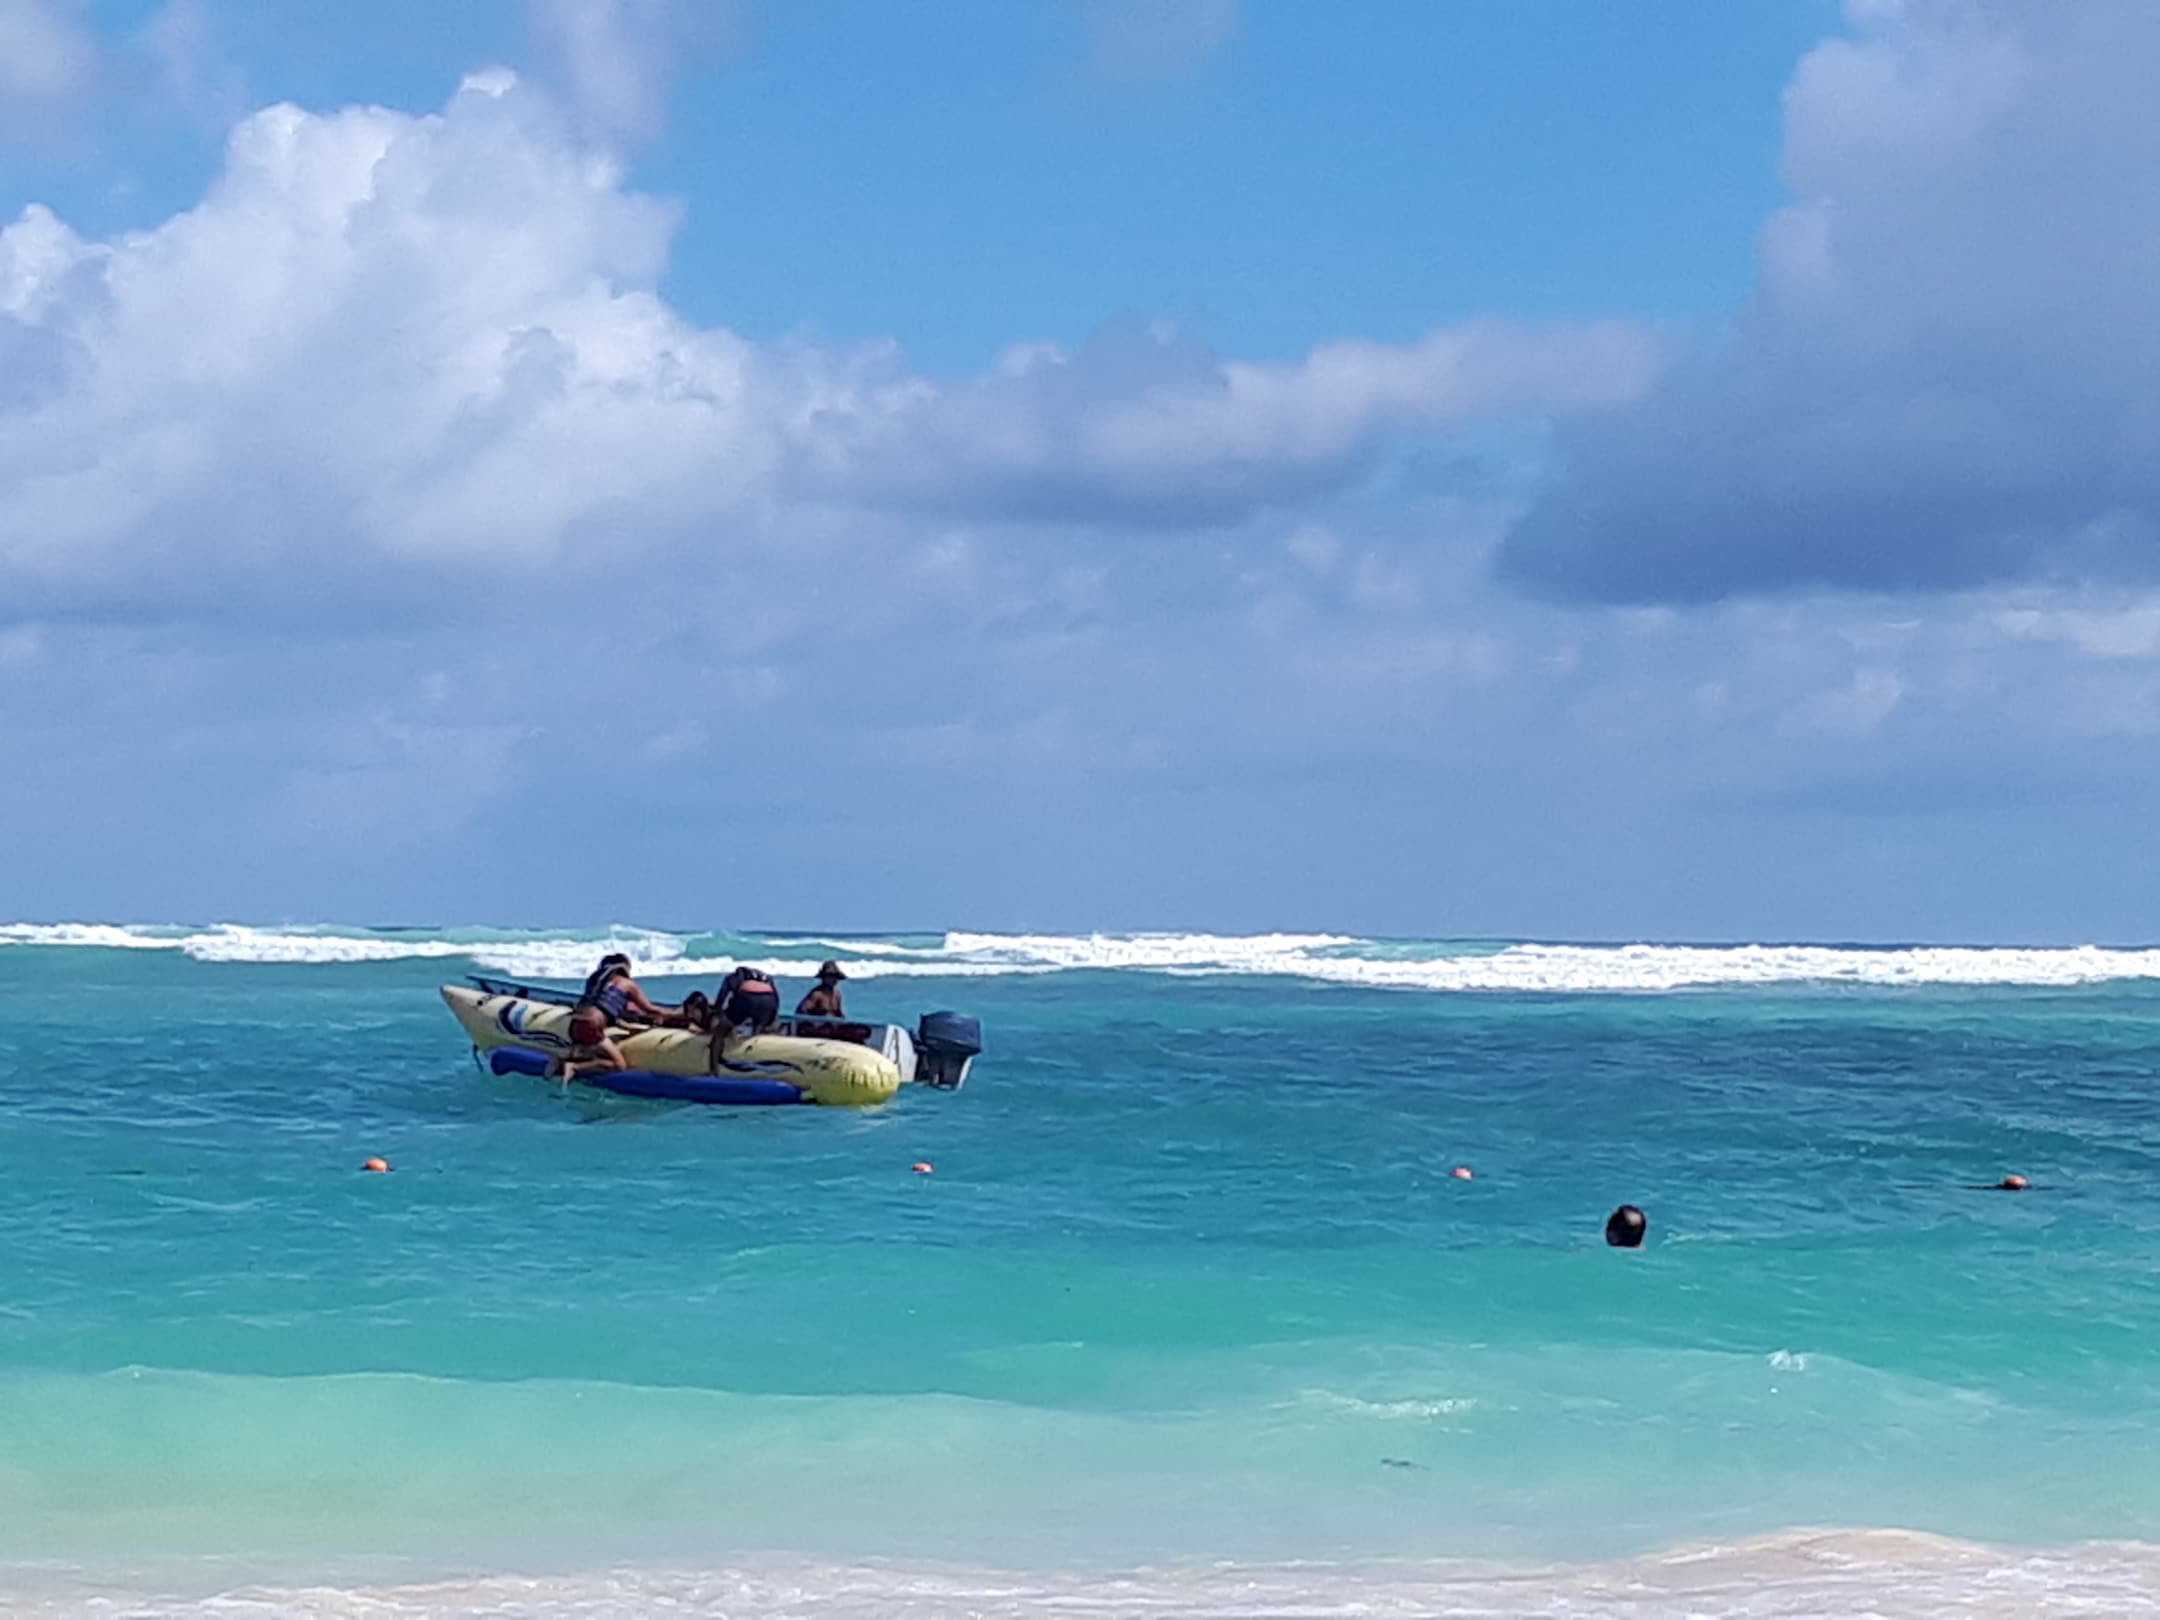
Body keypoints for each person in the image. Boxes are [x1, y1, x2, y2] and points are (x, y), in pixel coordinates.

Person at [579, 953, 674, 1025]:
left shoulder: (595, 982)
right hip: (594, 1023)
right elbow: (649, 1009)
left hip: (578, 1018)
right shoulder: (627, 984)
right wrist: (674, 1014)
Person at [550, 1006, 629, 1083]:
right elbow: (620, 1065)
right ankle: (573, 1065)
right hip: (577, 1044)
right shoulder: (596, 1035)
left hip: (573, 1046)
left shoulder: (597, 1036)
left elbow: (620, 1065)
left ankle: (568, 1062)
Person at [714, 964, 780, 1045]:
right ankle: (757, 1037)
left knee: (725, 1025)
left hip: (746, 1001)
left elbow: (721, 998)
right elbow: (776, 1000)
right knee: (761, 1023)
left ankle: (716, 1048)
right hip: (768, 1004)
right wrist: (771, 1019)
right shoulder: (766, 978)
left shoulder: (732, 977)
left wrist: (720, 1015)